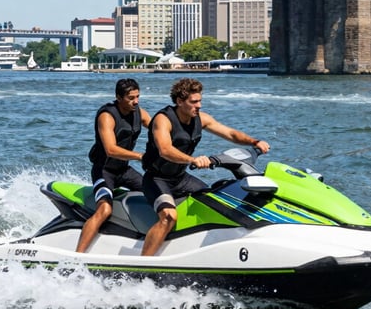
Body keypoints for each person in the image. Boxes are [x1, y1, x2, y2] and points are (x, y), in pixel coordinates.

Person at [140, 77, 270, 256]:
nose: (199, 105)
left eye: (200, 100)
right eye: (194, 102)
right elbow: (165, 149)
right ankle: (144, 264)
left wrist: (254, 141)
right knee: (169, 217)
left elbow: (230, 133)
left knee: (215, 202)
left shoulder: (201, 119)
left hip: (180, 179)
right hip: (157, 179)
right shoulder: (163, 119)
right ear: (179, 101)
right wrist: (192, 160)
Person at [75, 78, 151, 253]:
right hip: (104, 170)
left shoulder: (140, 113)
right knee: (105, 209)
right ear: (118, 97)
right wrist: (141, 156)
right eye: (131, 98)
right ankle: (77, 257)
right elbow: (110, 149)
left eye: (138, 96)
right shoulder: (107, 116)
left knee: (156, 194)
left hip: (124, 170)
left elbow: (159, 130)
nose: (136, 101)